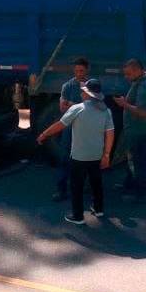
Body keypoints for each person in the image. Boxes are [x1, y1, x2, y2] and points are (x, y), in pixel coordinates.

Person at [37, 78, 115, 225]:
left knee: (76, 186)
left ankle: (78, 216)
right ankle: (99, 209)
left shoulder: (77, 109)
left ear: (87, 93)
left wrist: (44, 134)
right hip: (97, 155)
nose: (81, 93)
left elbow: (59, 125)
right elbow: (110, 133)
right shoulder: (106, 111)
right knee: (96, 183)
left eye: (83, 91)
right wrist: (106, 154)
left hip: (79, 156)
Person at [114, 58, 146, 203]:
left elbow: (143, 112)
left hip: (139, 131)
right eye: (125, 74)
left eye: (129, 74)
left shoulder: (144, 86)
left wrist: (124, 104)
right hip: (135, 130)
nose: (126, 77)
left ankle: (140, 193)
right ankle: (129, 184)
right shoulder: (139, 81)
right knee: (132, 159)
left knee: (137, 162)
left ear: (139, 70)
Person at [53, 57, 91, 202]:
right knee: (65, 158)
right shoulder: (67, 86)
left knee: (86, 159)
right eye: (76, 71)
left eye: (81, 70)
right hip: (70, 128)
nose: (78, 74)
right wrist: (80, 106)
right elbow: (62, 107)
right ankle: (61, 190)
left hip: (86, 129)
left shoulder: (92, 86)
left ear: (87, 70)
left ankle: (85, 186)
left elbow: (94, 107)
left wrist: (71, 104)